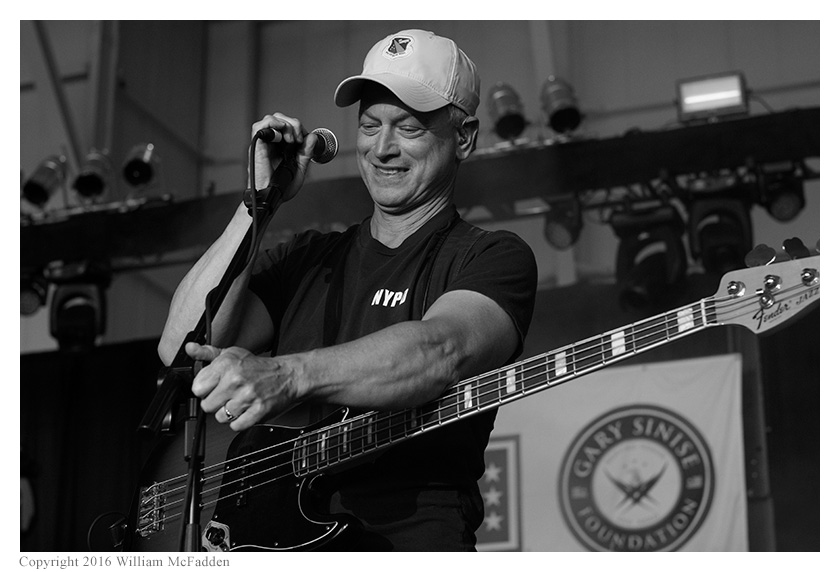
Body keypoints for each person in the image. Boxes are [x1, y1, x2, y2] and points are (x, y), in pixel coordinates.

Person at [158, 29, 538, 551]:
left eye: (408, 128)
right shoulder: (307, 256)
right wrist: (258, 203)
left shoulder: (491, 256)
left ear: (464, 137)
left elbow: (439, 353)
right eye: (369, 125)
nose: (383, 148)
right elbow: (182, 346)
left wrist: (287, 376)